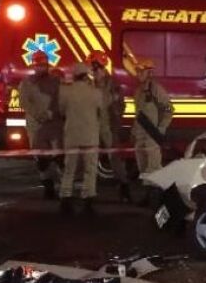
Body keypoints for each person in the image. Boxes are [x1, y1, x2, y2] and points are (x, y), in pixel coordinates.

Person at [58, 62, 104, 216]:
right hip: (90, 136)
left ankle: (65, 198)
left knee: (69, 169)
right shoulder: (95, 92)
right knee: (90, 170)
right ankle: (87, 200)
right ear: (86, 76)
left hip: (71, 135)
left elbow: (62, 110)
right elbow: (101, 109)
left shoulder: (65, 92)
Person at [18, 51, 62, 199]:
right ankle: (48, 188)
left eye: (43, 65)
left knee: (59, 157)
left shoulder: (56, 82)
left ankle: (65, 189)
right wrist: (39, 115)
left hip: (54, 125)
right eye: (38, 65)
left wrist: (51, 112)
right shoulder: (26, 83)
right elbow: (25, 102)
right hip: (36, 127)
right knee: (42, 160)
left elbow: (60, 100)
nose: (41, 68)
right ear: (34, 65)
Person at [89, 52, 131, 203]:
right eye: (92, 69)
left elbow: (121, 105)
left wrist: (116, 120)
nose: (94, 72)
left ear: (101, 67)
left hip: (108, 126)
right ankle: (89, 193)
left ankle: (124, 188)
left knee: (115, 158)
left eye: (95, 69)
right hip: (92, 126)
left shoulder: (112, 85)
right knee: (90, 158)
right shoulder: (89, 84)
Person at [131, 59, 174, 178]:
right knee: (143, 167)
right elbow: (138, 113)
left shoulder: (156, 89)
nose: (138, 74)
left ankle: (156, 190)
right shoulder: (139, 91)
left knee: (154, 167)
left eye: (141, 72)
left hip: (152, 133)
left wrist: (161, 128)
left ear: (149, 73)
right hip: (140, 134)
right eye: (137, 72)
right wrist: (134, 131)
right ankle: (147, 189)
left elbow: (169, 109)